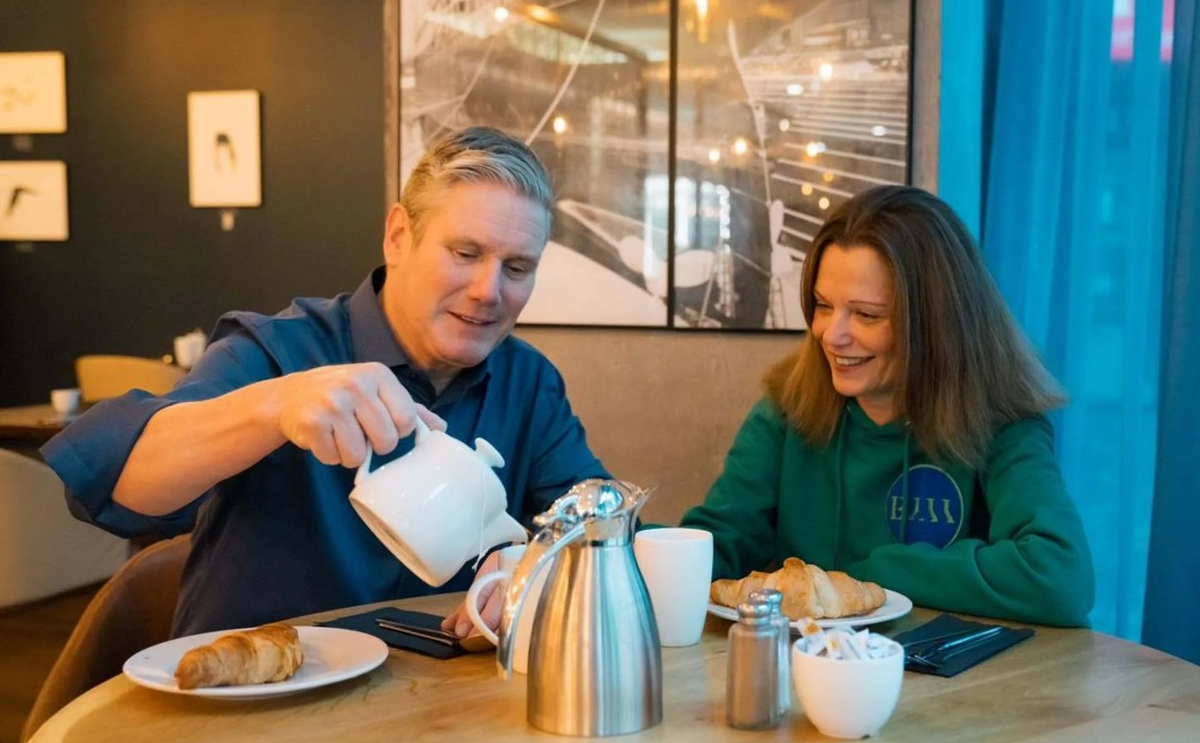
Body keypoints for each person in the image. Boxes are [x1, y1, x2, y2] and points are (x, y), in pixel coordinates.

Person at [43, 126, 608, 636]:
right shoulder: (280, 350)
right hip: (258, 698)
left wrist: (534, 559)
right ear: (398, 237)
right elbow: (116, 486)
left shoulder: (527, 382)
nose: (489, 291)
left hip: (438, 701)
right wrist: (276, 406)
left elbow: (596, 517)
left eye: (517, 268)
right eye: (465, 253)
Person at [681, 185, 1094, 627]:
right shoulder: (785, 409)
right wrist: (637, 546)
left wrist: (871, 574)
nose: (831, 335)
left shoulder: (1003, 421)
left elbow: (1058, 577)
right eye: (823, 305)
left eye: (866, 314)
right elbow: (720, 544)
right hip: (808, 667)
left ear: (935, 323)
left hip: (952, 671)